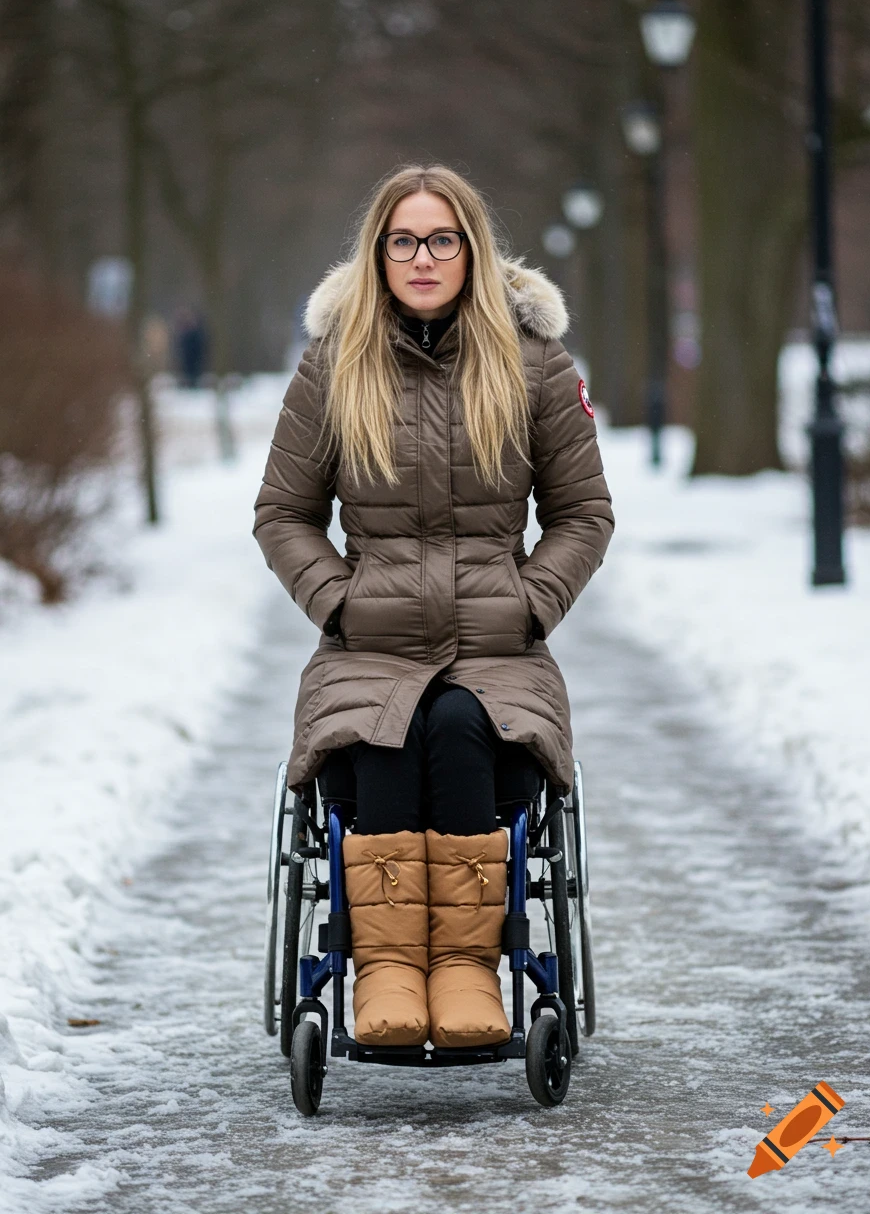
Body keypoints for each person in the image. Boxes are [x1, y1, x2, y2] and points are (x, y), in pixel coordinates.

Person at [253, 164, 613, 1051]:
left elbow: (584, 514)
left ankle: (462, 971)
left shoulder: (533, 364)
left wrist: (530, 607)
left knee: (456, 723)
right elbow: (282, 514)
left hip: (500, 651)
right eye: (404, 241)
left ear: (471, 250)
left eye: (441, 240)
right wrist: (339, 602)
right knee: (382, 728)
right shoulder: (335, 366)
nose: (423, 258)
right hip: (366, 649)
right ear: (378, 254)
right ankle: (383, 971)